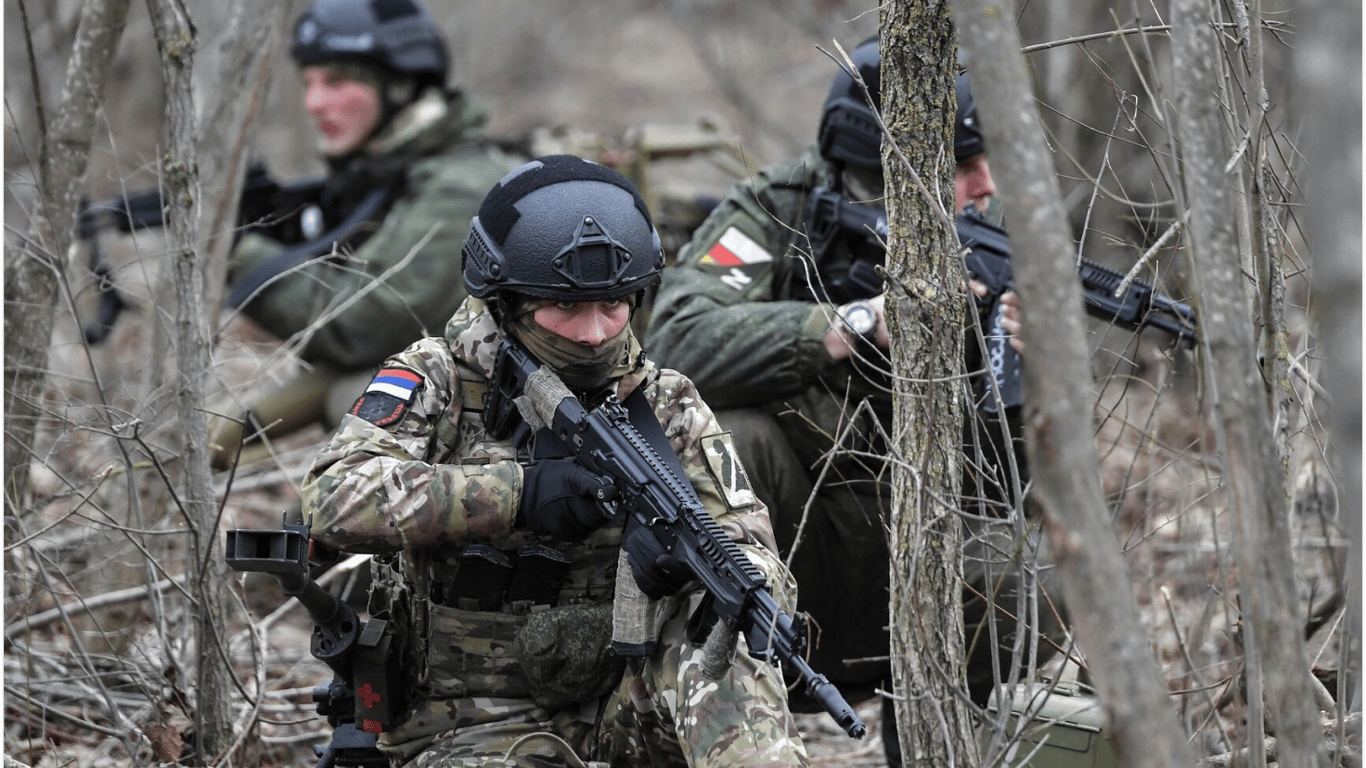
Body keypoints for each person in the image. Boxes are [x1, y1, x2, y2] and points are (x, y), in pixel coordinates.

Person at [301, 154, 810, 767]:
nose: (595, 332)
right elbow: (333, 499)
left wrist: (687, 567)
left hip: (624, 703)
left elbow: (748, 538)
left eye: (615, 304)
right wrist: (517, 495)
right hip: (465, 722)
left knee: (725, 633)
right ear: (508, 301)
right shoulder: (436, 379)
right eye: (565, 307)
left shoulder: (665, 401)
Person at [642, 37, 1067, 762]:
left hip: (910, 561)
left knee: (1030, 572)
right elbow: (677, 343)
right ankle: (716, 728)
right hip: (786, 558)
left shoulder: (986, 250)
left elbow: (1008, 492)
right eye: (965, 166)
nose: (986, 187)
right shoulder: (777, 212)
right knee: (733, 440)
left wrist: (1021, 381)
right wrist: (855, 323)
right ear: (893, 170)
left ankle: (931, 746)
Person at [210, 0, 519, 471]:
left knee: (353, 396)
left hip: (521, 415)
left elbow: (361, 328)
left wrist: (237, 253)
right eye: (309, 83)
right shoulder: (390, 170)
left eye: (337, 81)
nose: (314, 103)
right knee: (238, 431)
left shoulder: (460, 185)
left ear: (398, 86)